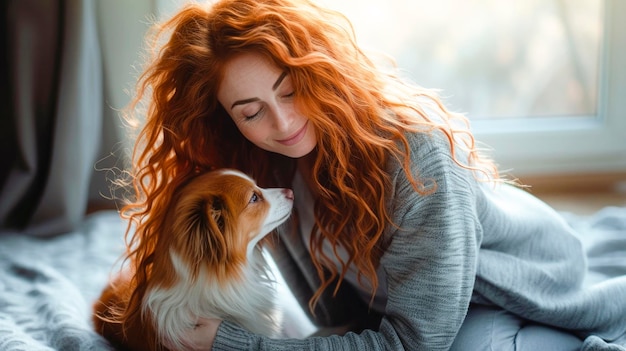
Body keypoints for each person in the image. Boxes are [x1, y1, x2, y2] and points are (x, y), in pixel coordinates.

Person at [117, 0, 626, 350]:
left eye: (290, 89)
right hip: (423, 310)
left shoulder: (417, 159)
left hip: (514, 285)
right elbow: (343, 323)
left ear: (317, 71)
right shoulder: (267, 170)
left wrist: (236, 344)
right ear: (229, 121)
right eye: (252, 112)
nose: (284, 121)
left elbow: (410, 344)